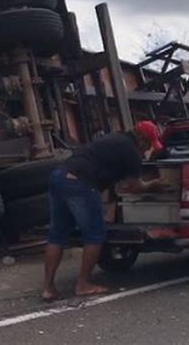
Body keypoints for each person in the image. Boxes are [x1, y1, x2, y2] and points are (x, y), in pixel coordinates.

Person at [42, 120, 164, 301]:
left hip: (59, 176)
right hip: (80, 182)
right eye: (148, 144)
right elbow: (134, 186)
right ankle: (83, 284)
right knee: (95, 235)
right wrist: (153, 185)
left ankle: (48, 288)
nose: (147, 149)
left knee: (57, 235)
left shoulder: (114, 139)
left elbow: (113, 181)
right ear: (140, 138)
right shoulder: (131, 152)